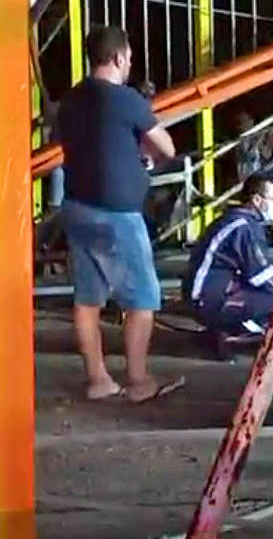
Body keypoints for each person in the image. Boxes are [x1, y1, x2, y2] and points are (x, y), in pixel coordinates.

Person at [56, 26, 181, 402]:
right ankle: (139, 381)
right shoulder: (126, 99)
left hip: (77, 206)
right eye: (128, 58)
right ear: (118, 58)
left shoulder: (70, 101)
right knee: (141, 299)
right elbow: (167, 147)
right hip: (118, 214)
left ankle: (98, 380)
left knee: (88, 298)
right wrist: (147, 157)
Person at [184, 175, 273, 357]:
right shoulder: (245, 227)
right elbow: (261, 276)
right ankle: (231, 336)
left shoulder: (234, 219)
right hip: (208, 299)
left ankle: (221, 330)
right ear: (257, 200)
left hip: (203, 294)